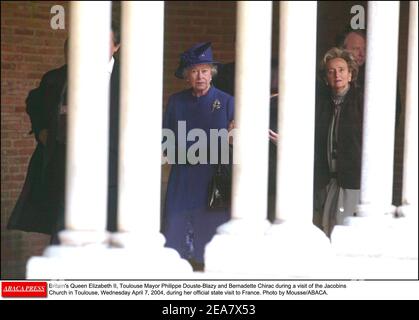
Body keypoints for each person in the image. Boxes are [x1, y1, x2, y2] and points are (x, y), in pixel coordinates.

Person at [7, 24, 121, 239]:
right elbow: (34, 102)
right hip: (69, 169)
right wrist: (41, 131)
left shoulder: (132, 80)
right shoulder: (58, 77)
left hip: (112, 171)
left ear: (117, 46)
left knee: (110, 239)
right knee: (63, 236)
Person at [162, 42, 234, 270]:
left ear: (211, 74)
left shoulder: (226, 102)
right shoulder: (176, 101)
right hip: (182, 177)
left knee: (210, 239)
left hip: (213, 179)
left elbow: (234, 142)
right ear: (187, 76)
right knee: (176, 236)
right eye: (194, 71)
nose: (200, 76)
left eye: (204, 70)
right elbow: (166, 141)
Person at [213, 58, 279, 222]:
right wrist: (230, 139)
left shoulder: (283, 106)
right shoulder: (239, 106)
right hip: (242, 178)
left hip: (273, 179)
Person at [313, 47, 363, 237]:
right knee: (324, 230)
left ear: (350, 75)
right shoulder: (321, 103)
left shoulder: (361, 102)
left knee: (344, 232)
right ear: (326, 77)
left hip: (350, 180)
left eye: (341, 70)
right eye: (331, 71)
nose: (337, 75)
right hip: (325, 179)